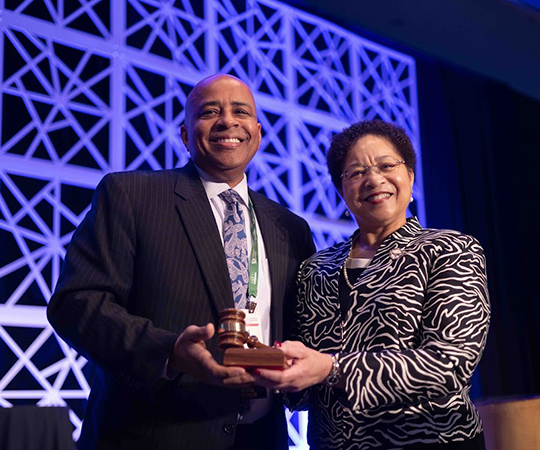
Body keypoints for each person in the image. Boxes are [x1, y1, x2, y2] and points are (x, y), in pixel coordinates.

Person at [47, 74, 316, 450]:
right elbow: (77, 304)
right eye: (209, 111)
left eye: (240, 111)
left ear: (257, 133)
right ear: (186, 135)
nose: (227, 121)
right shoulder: (130, 195)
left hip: (261, 438)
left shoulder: (291, 227)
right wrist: (169, 352)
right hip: (153, 436)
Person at [256, 120, 490, 449]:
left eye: (386, 165)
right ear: (341, 190)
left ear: (409, 175)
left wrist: (332, 368)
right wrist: (271, 369)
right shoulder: (315, 268)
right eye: (356, 172)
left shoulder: (450, 249)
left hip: (431, 439)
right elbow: (307, 388)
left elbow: (449, 364)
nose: (374, 179)